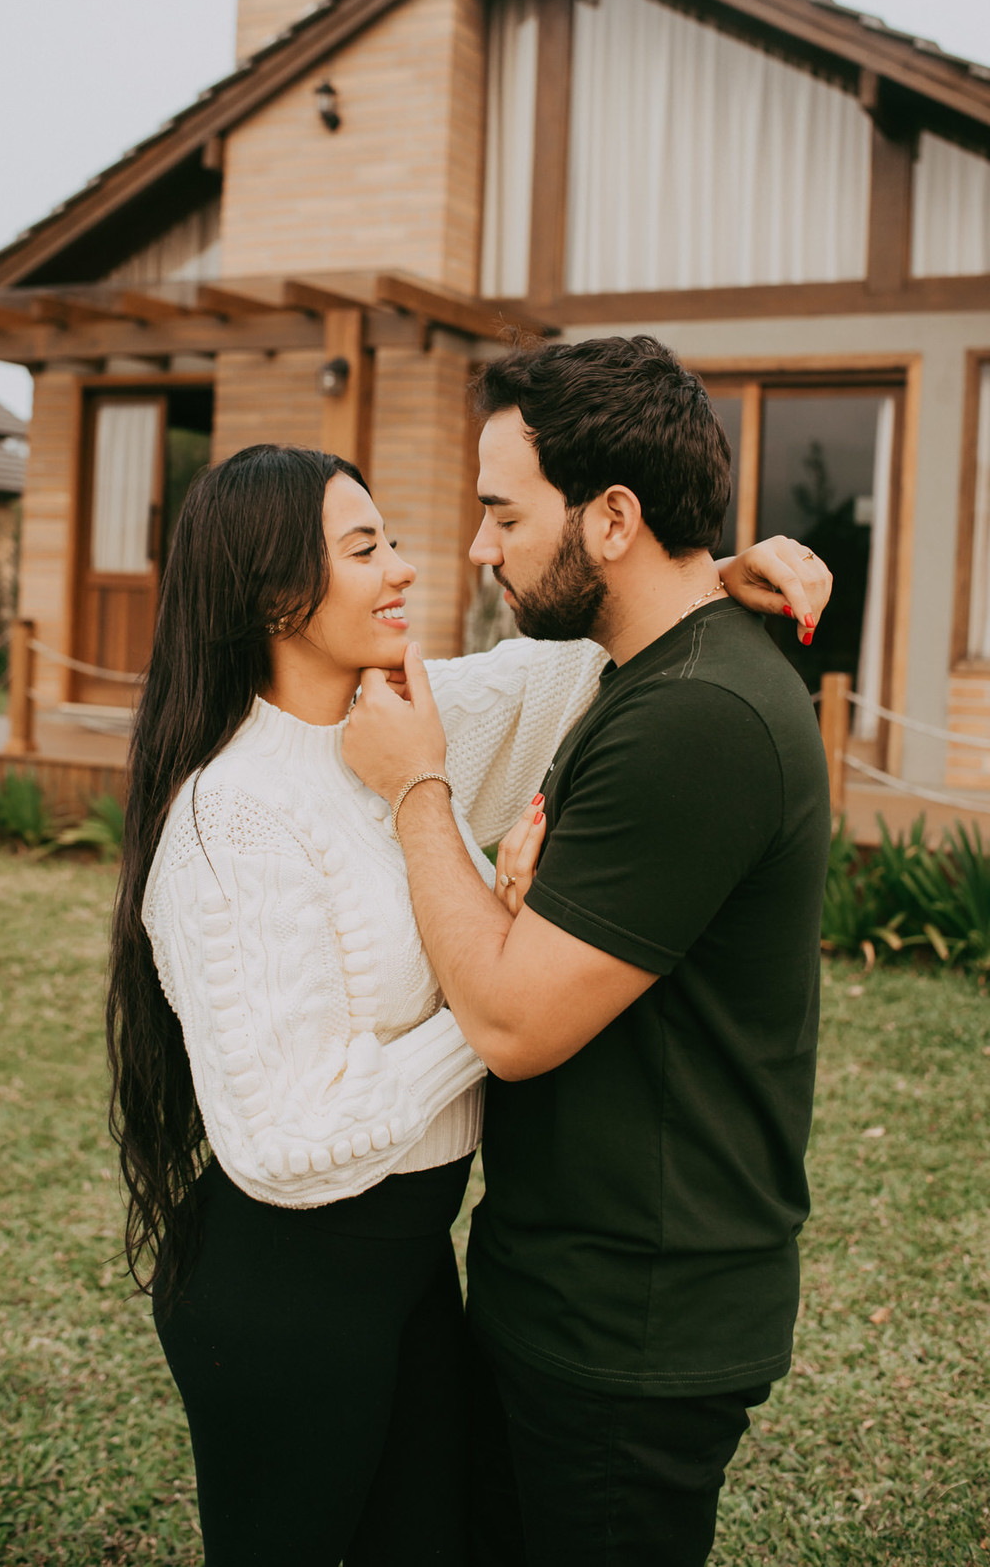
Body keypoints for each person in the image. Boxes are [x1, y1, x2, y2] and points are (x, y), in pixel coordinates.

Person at [106, 438, 829, 1566]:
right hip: (288, 1294)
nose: (405, 567)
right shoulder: (232, 817)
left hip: (411, 1267)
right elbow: (286, 1141)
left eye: (390, 539)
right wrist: (494, 984)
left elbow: (573, 667)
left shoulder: (400, 712)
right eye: (363, 549)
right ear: (273, 594)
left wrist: (710, 574)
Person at [343, 336, 834, 1567]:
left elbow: (511, 1024)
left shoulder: (697, 716)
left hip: (635, 1328)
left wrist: (419, 792)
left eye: (504, 511)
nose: (477, 545)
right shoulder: (651, 670)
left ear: (612, 518)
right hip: (567, 1288)